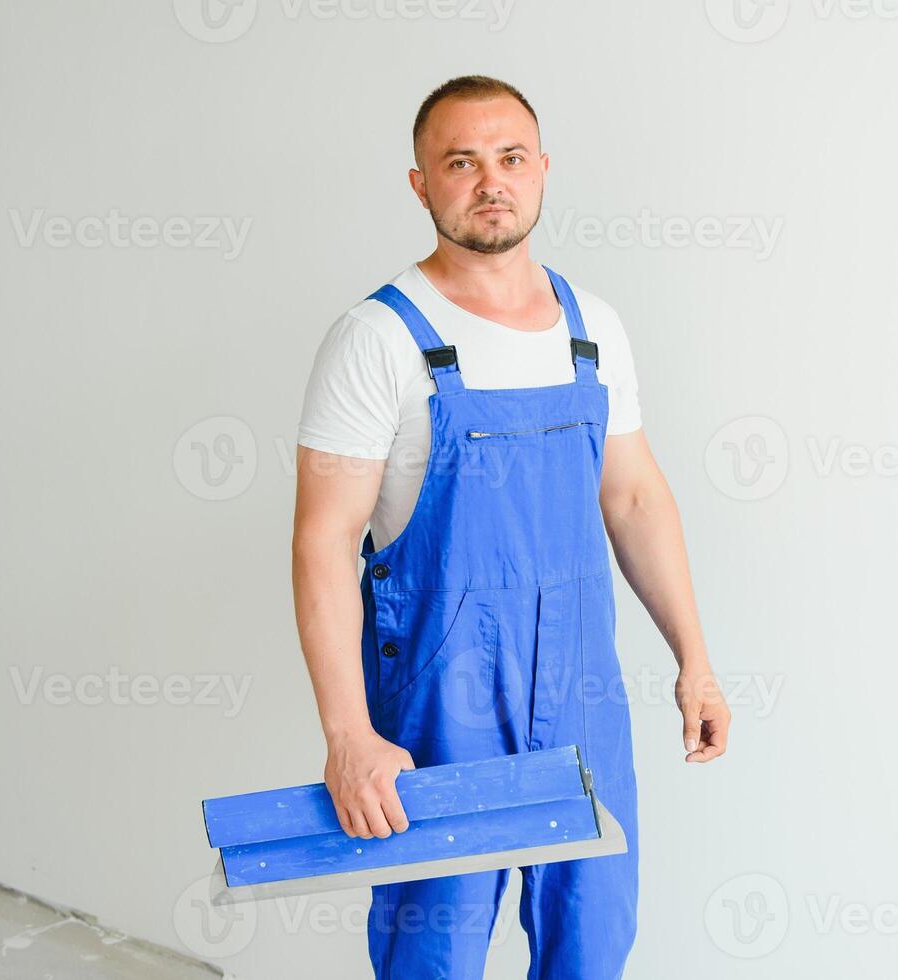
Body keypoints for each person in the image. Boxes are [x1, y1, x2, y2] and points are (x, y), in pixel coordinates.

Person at [291, 74, 730, 980]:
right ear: (420, 182)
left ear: (542, 171)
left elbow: (635, 496)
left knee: (594, 937)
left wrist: (695, 658)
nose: (491, 181)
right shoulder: (377, 338)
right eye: (461, 162)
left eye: (511, 158)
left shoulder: (591, 327)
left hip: (583, 698)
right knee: (437, 949)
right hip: (441, 702)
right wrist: (347, 734)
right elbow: (323, 539)